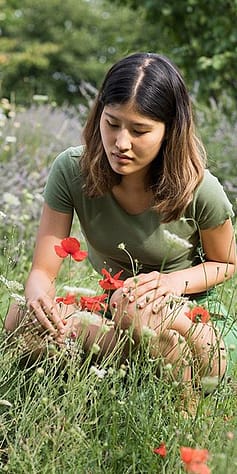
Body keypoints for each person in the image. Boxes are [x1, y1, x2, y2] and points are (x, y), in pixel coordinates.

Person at [4, 52, 236, 392]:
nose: (121, 143)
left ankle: (183, 385)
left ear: (170, 131)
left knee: (136, 313)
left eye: (140, 130)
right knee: (20, 316)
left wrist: (171, 283)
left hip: (190, 316)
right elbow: (43, 269)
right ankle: (145, 372)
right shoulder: (72, 170)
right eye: (112, 124)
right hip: (117, 311)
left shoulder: (199, 187)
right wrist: (39, 294)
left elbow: (225, 262)